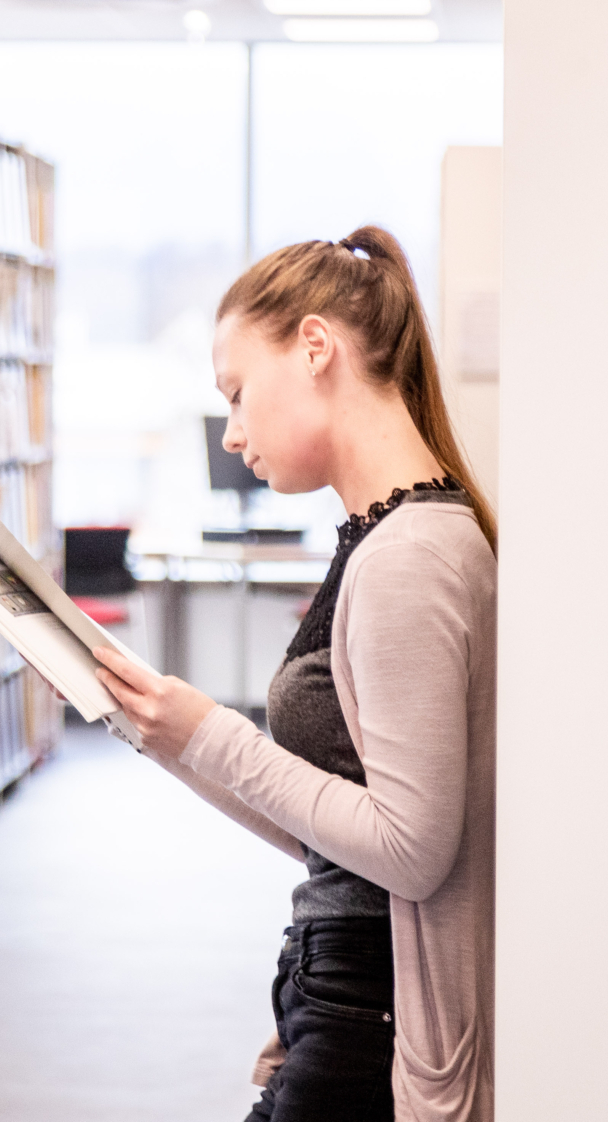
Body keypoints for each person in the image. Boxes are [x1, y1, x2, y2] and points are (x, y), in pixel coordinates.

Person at [93, 226, 497, 1122]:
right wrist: (166, 735)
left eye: (237, 394)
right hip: (344, 992)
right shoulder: (384, 537)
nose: (233, 433)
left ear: (316, 347)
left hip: (369, 1003)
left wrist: (214, 734)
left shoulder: (411, 557)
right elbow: (340, 830)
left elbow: (414, 847)